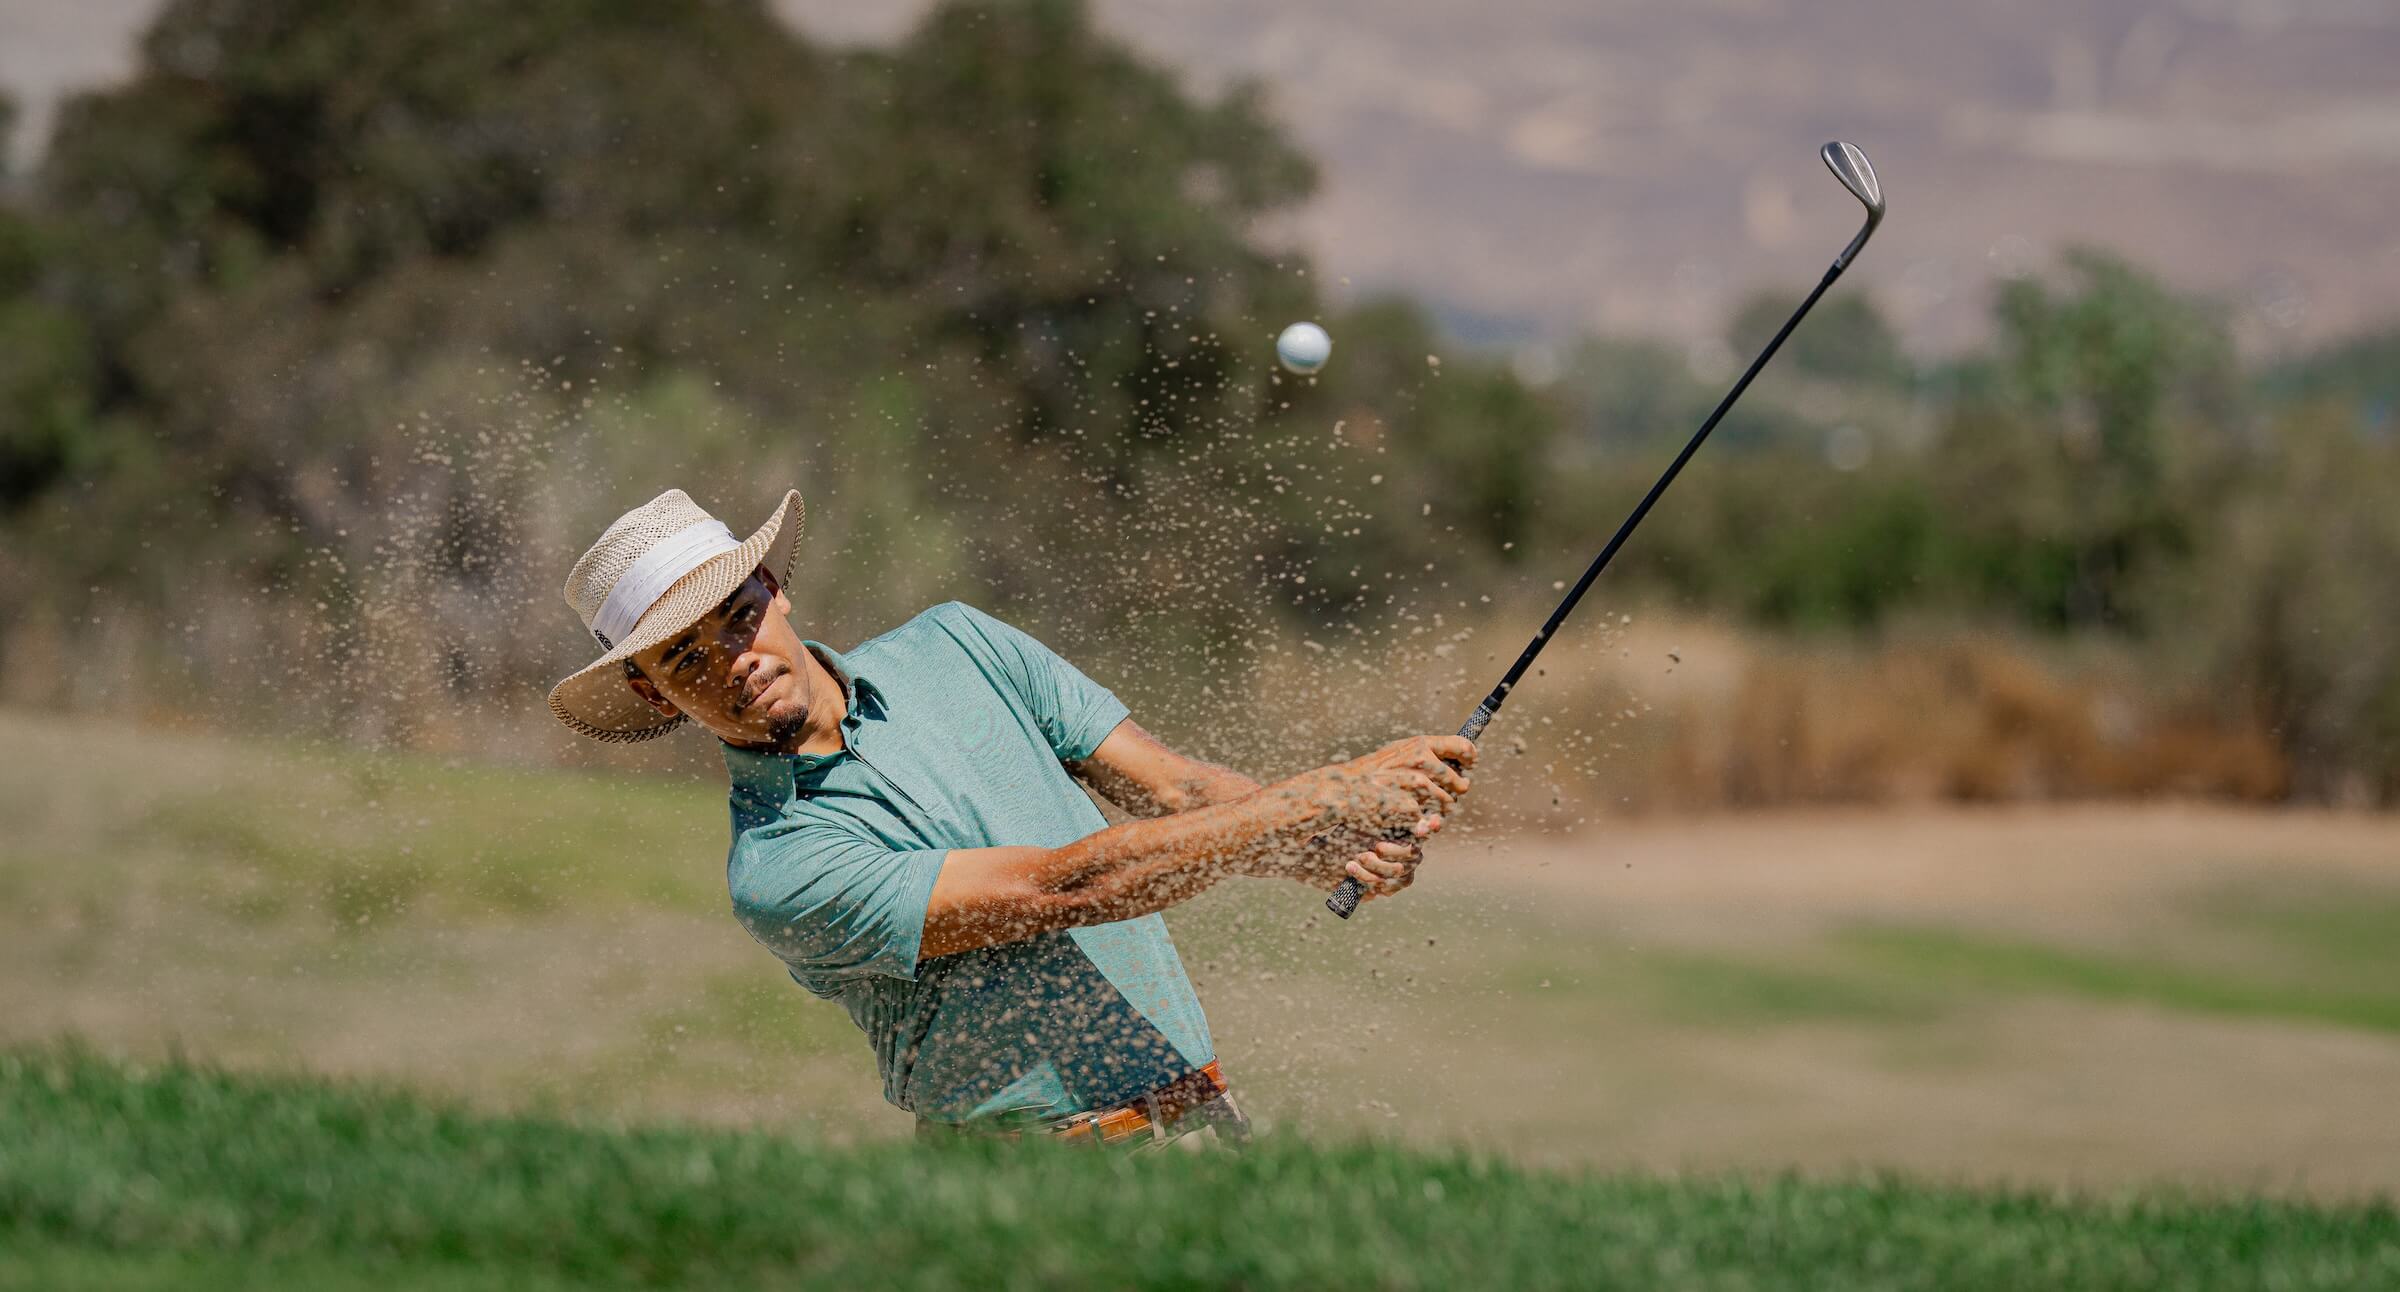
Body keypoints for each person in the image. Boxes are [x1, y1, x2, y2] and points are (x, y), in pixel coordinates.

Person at [548, 488, 1474, 1146]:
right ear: (654, 693)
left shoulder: (958, 644)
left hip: (1205, 1127)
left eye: (736, 617)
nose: (733, 659)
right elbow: (1068, 888)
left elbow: (1176, 791)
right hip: (1037, 1181)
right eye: (685, 659)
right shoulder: (779, 868)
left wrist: (1320, 847)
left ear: (772, 588)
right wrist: (1318, 798)